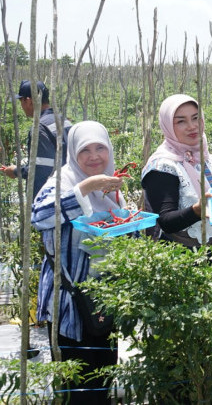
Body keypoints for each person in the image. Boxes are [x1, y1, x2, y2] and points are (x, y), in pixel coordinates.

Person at [31, 121, 124, 404]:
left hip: (105, 300)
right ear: (72, 152)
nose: (94, 156)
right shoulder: (62, 182)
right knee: (77, 385)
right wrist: (85, 187)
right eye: (85, 150)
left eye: (100, 148)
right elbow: (39, 216)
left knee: (103, 378)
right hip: (70, 303)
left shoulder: (110, 186)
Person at [141, 94, 212, 252]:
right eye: (181, 121)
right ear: (167, 125)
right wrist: (195, 211)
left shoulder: (203, 156)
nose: (192, 126)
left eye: (195, 118)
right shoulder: (162, 166)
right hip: (182, 262)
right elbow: (165, 221)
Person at [2, 79, 71, 199]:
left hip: (50, 197)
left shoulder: (39, 128)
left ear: (28, 101)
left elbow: (41, 169)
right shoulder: (63, 120)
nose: (21, 106)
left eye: (21, 101)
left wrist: (15, 171)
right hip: (69, 189)